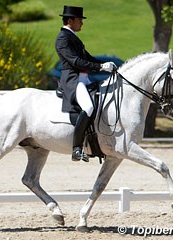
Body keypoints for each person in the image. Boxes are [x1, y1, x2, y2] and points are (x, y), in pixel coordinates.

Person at [55, 5, 117, 162]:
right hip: (73, 80)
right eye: (79, 20)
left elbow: (88, 58)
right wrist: (100, 67)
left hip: (85, 79)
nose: (82, 23)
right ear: (70, 21)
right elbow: (75, 61)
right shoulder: (63, 38)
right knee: (88, 107)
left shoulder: (73, 37)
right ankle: (76, 149)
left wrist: (106, 65)